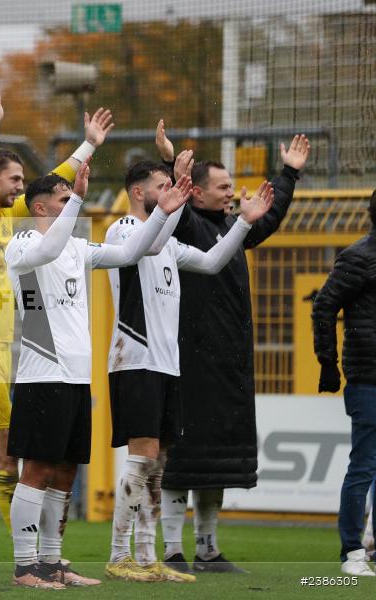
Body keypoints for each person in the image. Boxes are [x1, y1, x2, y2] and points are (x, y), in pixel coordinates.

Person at [0, 79, 114, 572]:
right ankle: (30, 557)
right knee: (7, 448)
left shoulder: (14, 223)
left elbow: (54, 183)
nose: (20, 187)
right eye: (13, 180)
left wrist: (88, 146)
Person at [3, 161, 188, 589]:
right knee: (37, 469)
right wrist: (82, 200)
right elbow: (46, 252)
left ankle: (51, 562)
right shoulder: (24, 242)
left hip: (76, 376)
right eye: (65, 200)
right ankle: (24, 566)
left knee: (67, 471)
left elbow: (128, 253)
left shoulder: (78, 247)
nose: (73, 206)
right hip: (40, 373)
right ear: (40, 207)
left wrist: (163, 212)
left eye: (73, 199)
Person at [103, 160, 274, 583]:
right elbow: (139, 245)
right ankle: (118, 554)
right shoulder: (123, 229)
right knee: (141, 458)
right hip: (136, 359)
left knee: (158, 463)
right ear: (140, 194)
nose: (174, 191)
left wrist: (243, 225)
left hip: (166, 364)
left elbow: (214, 261)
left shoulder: (167, 243)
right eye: (164, 186)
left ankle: (147, 557)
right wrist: (169, 210)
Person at [154, 123, 310, 574]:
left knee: (215, 462)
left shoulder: (230, 226)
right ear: (195, 194)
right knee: (182, 462)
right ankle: (171, 551)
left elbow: (268, 213)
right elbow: (173, 203)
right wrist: (170, 165)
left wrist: (289, 174)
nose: (231, 193)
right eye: (222, 187)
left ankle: (207, 549)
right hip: (187, 362)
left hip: (228, 364)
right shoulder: (183, 225)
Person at [312, 189, 376, 577]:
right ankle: (352, 552)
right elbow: (323, 305)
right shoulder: (359, 257)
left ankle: (367, 545)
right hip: (368, 378)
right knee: (365, 465)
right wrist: (328, 363)